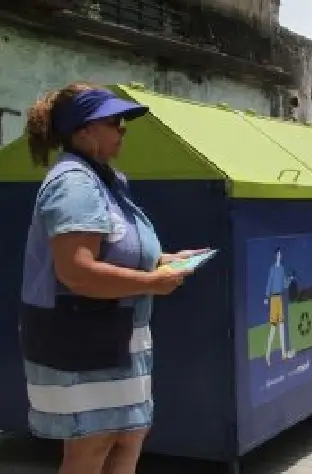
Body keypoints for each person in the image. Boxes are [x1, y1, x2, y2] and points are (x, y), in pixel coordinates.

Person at [19, 82, 203, 474]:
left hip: (119, 330)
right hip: (81, 332)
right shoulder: (74, 184)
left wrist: (166, 262)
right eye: (115, 122)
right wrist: (152, 283)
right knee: (93, 443)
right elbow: (78, 273)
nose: (123, 129)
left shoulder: (107, 180)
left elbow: (121, 250)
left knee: (128, 434)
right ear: (84, 130)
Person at [264, 247, 295, 366]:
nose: (280, 256)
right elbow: (269, 282)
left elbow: (284, 285)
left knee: (282, 326)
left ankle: (283, 353)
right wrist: (266, 297)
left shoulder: (282, 269)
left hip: (280, 298)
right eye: (278, 254)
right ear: (275, 255)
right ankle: (267, 354)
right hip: (273, 299)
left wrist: (290, 279)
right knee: (273, 328)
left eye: (281, 255)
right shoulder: (272, 269)